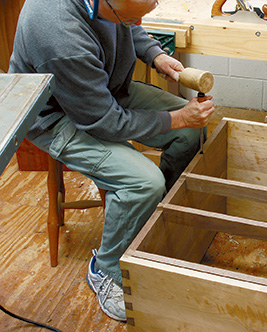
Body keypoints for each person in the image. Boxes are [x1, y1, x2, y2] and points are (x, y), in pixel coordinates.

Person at [9, 0, 215, 322]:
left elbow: (129, 24)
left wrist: (155, 54)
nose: (136, 22)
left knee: (190, 136)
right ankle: (106, 271)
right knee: (144, 182)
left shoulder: (114, 7)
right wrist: (178, 118)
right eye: (132, 16)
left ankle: (155, 221)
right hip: (59, 116)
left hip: (102, 89)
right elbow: (105, 122)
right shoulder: (60, 35)